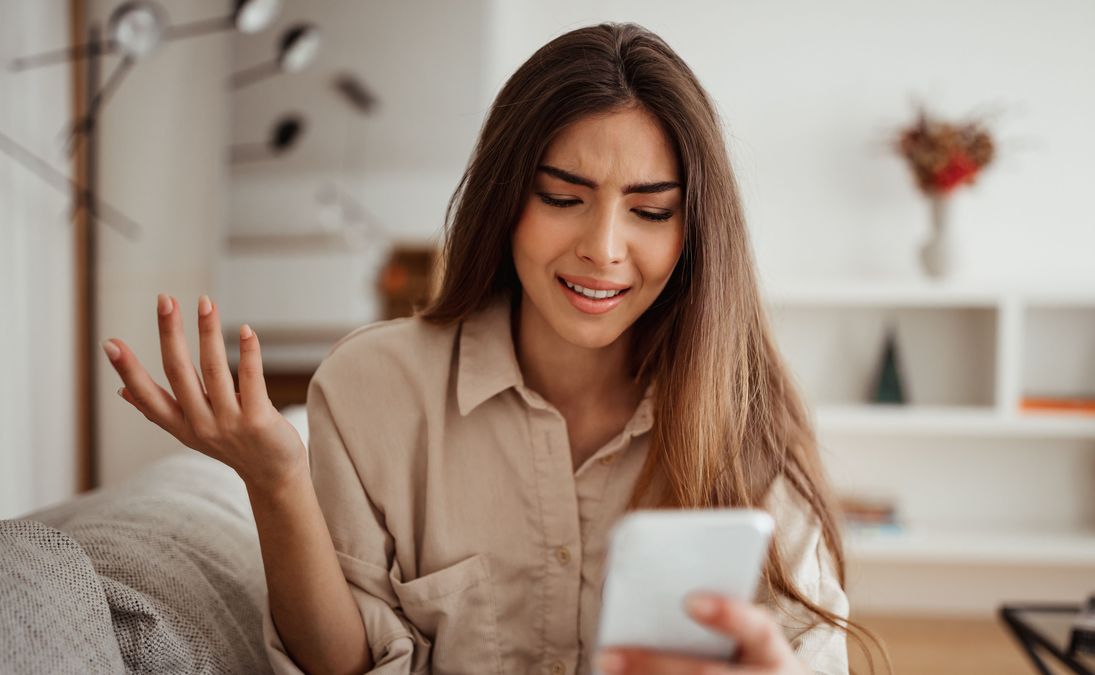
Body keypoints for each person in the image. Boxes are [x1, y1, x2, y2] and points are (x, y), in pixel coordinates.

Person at [101, 21, 887, 675]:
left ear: (694, 232)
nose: (604, 248)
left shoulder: (746, 412)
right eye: (562, 198)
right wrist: (277, 481)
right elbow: (344, 661)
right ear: (506, 198)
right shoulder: (374, 386)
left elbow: (807, 651)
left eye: (650, 212)